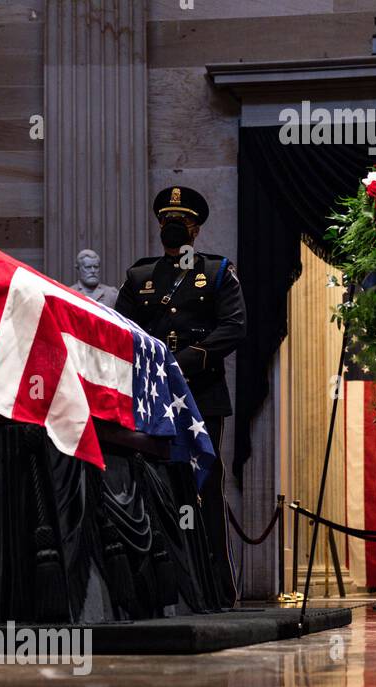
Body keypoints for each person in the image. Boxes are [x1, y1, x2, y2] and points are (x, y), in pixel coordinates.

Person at [116, 186, 246, 606]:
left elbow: (234, 328)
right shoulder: (141, 276)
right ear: (159, 225)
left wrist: (183, 361)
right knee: (154, 483)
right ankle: (160, 590)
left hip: (200, 397)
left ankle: (216, 591)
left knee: (203, 485)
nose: (174, 225)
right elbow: (121, 331)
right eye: (167, 218)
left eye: (183, 219)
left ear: (196, 227)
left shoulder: (219, 270)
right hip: (152, 399)